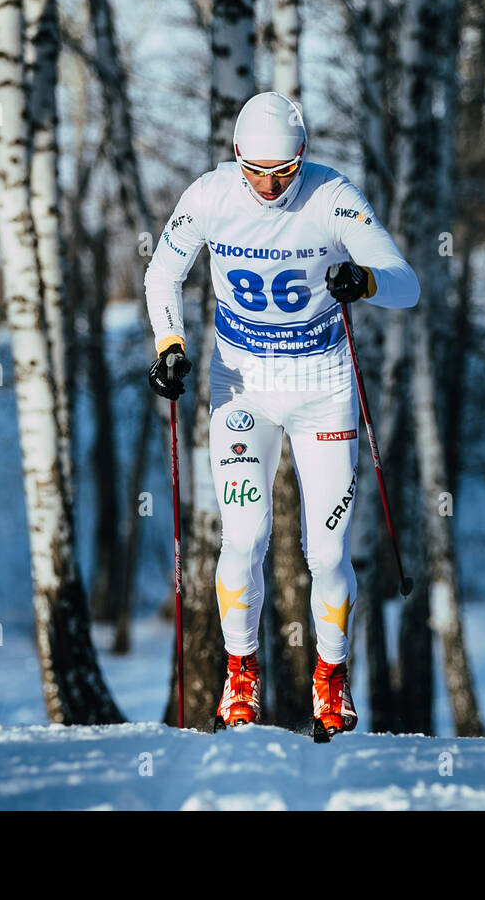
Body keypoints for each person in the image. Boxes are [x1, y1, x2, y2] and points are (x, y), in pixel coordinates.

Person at [144, 91, 419, 737]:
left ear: (304, 159)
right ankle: (240, 677)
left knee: (326, 552)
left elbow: (405, 282)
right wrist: (170, 345)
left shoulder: (330, 196)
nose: (269, 186)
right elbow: (163, 274)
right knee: (242, 539)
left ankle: (332, 680)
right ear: (236, 157)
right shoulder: (211, 195)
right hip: (243, 388)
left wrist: (367, 281)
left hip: (323, 389)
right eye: (256, 171)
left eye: (284, 172)